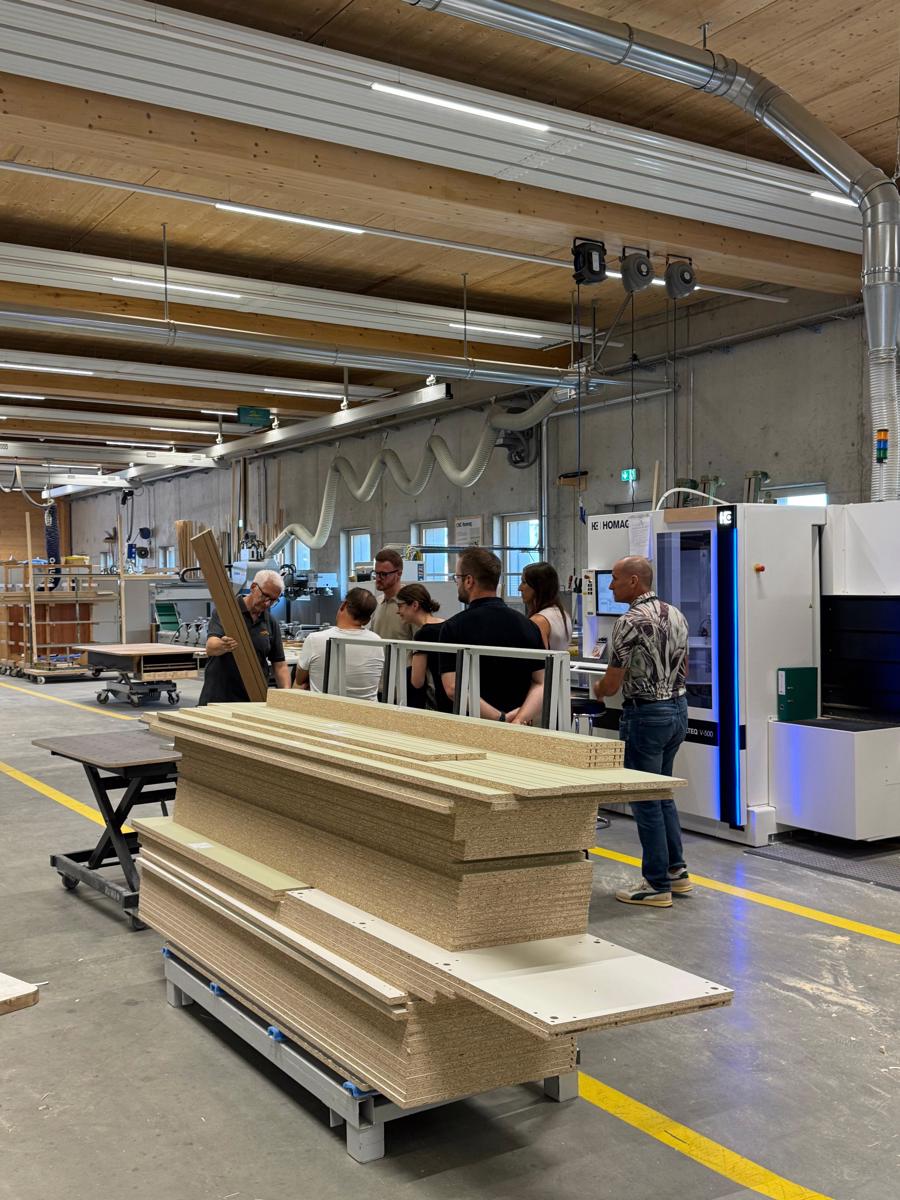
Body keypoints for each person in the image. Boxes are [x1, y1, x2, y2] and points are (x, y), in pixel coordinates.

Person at [592, 555, 690, 908]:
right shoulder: (676, 614)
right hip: (677, 710)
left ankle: (656, 884)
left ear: (634, 581)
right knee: (662, 793)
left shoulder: (628, 621)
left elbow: (612, 683)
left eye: (615, 579)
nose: (610, 585)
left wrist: (597, 690)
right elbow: (685, 667)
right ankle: (676, 872)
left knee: (645, 800)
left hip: (646, 715)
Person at [439, 548, 544, 724]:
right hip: (520, 728)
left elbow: (453, 687)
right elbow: (542, 683)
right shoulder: (529, 626)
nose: (456, 583)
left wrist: (500, 718)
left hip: (473, 727)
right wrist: (519, 719)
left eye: (457, 577)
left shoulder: (453, 628)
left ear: (469, 581)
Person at [199, 568, 290, 705]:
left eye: (273, 600)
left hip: (254, 697)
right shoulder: (227, 612)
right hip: (220, 697)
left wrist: (287, 694)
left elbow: (280, 664)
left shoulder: (270, 622)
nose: (267, 603)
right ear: (253, 587)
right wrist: (223, 645)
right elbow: (211, 647)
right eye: (265, 596)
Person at [293, 587, 384, 700]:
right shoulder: (377, 641)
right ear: (367, 620)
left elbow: (300, 680)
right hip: (367, 709)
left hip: (325, 708)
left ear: (343, 605)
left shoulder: (315, 639)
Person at [396, 582, 450, 712]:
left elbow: (417, 681)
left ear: (414, 605)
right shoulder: (447, 625)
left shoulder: (423, 634)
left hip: (438, 700)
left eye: (400, 606)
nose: (398, 611)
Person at [519, 561, 573, 651]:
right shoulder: (563, 614)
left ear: (538, 586)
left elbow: (537, 657)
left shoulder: (539, 621)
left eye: (524, 582)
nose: (520, 588)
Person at [370, 548, 415, 641]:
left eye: (383, 574)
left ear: (399, 574)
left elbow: (421, 645)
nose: (378, 578)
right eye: (376, 573)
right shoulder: (377, 603)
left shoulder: (411, 604)